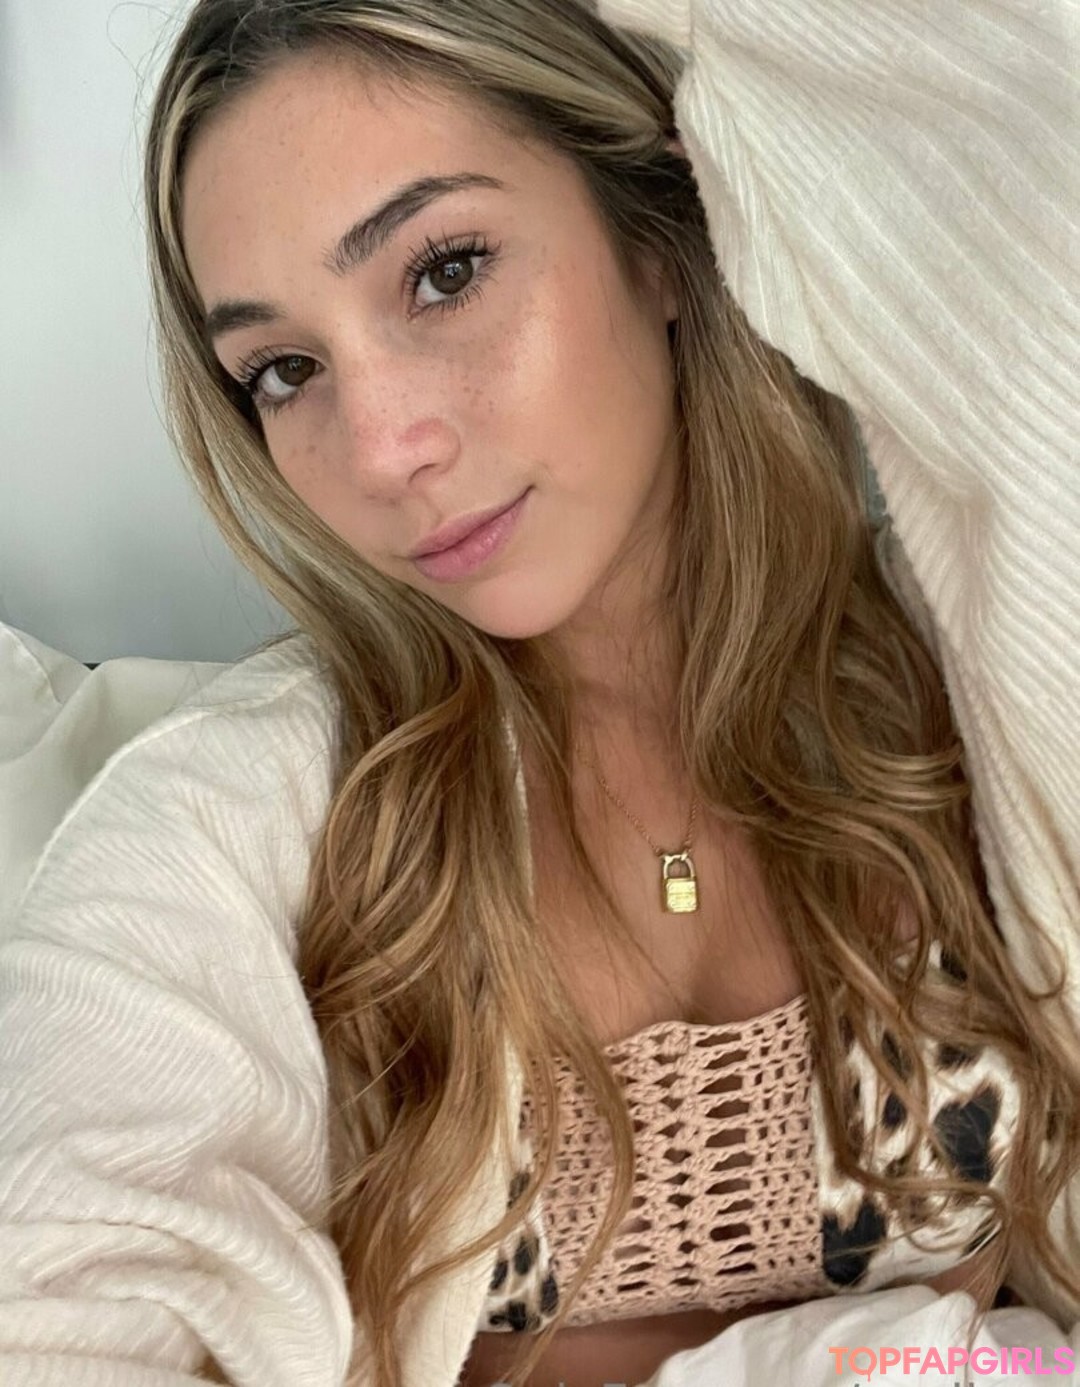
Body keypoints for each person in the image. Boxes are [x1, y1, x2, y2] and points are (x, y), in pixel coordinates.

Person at [1, 0, 1077, 1384]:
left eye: (444, 272)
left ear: (666, 233)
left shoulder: (990, 683)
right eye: (285, 370)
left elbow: (1036, 149)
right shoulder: (235, 815)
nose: (380, 449)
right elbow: (59, 1291)